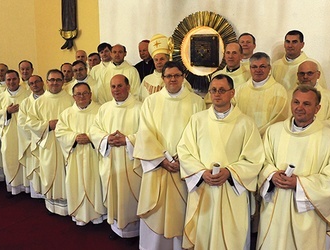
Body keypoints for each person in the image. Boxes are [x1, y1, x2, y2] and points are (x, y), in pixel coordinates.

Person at [177, 74, 264, 250]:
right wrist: (202, 173)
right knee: (204, 232)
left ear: (232, 93)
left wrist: (230, 172)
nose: (217, 94)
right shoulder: (197, 120)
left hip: (232, 190)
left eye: (222, 90)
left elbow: (254, 159)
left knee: (232, 237)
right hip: (204, 187)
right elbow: (185, 151)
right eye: (213, 90)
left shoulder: (246, 123)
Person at [257, 85, 330, 250]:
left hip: (307, 215)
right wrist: (271, 175)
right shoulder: (274, 132)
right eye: (296, 102)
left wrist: (299, 183)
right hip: (274, 209)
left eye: (306, 104)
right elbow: (262, 162)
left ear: (317, 108)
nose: (299, 108)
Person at [133, 61, 205, 250]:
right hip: (157, 164)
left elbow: (200, 134)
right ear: (163, 78)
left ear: (183, 77)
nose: (172, 79)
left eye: (176, 75)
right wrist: (162, 160)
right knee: (156, 211)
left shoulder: (197, 102)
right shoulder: (151, 101)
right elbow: (145, 132)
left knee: (179, 211)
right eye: (168, 76)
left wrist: (183, 159)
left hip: (184, 167)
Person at [90, 74, 142, 240]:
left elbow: (148, 132)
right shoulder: (105, 108)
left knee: (131, 195)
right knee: (114, 193)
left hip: (131, 161)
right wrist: (106, 139)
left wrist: (128, 140)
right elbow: (94, 130)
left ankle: (135, 231)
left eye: (120, 86)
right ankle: (116, 229)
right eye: (113, 87)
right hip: (110, 159)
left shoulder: (140, 108)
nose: (116, 90)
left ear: (128, 87)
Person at [55, 82, 106, 226]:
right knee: (76, 184)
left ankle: (98, 215)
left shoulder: (100, 110)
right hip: (75, 156)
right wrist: (75, 137)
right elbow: (60, 132)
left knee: (96, 184)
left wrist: (91, 137)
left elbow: (106, 129)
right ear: (73, 96)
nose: (82, 97)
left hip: (95, 156)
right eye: (78, 94)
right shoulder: (66, 113)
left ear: (90, 94)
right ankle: (79, 215)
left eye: (85, 93)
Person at [26, 69, 74, 215]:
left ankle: (69, 204)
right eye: (51, 80)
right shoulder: (38, 102)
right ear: (46, 82)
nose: (55, 83)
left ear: (63, 82)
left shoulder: (71, 99)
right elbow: (30, 122)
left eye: (58, 80)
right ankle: (52, 204)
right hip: (48, 144)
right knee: (50, 171)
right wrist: (47, 125)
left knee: (68, 173)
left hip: (66, 145)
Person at [0, 69, 31, 195]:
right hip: (8, 135)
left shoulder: (28, 94)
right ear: (5, 81)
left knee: (26, 157)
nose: (11, 82)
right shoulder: (1, 97)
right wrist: (7, 111)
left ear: (19, 79)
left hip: (25, 135)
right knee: (10, 158)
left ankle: (28, 187)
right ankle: (14, 187)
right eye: (8, 79)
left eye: (14, 79)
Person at [234, 52, 288, 136]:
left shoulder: (279, 91)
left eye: (262, 66)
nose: (258, 70)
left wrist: (256, 135)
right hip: (243, 136)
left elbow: (278, 119)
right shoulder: (239, 90)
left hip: (267, 138)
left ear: (269, 68)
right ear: (250, 68)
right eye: (254, 67)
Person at [293, 60, 330, 136]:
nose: (305, 77)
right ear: (297, 75)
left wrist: (310, 127)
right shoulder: (288, 95)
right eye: (302, 73)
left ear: (318, 75)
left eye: (310, 73)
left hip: (319, 142)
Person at [138, 34, 193, 102]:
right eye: (156, 60)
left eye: (162, 59)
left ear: (168, 59)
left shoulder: (180, 80)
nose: (159, 62)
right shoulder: (146, 80)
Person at [17, 74, 45, 198]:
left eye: (37, 82)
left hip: (49, 141)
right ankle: (37, 193)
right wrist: (36, 135)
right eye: (32, 83)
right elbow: (22, 123)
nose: (35, 85)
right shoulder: (25, 103)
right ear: (29, 86)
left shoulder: (50, 98)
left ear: (42, 82)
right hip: (33, 141)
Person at [206, 42, 250, 107]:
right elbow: (209, 101)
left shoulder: (248, 77)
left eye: (234, 53)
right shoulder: (216, 75)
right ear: (224, 56)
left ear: (241, 56)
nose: (230, 56)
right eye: (228, 53)